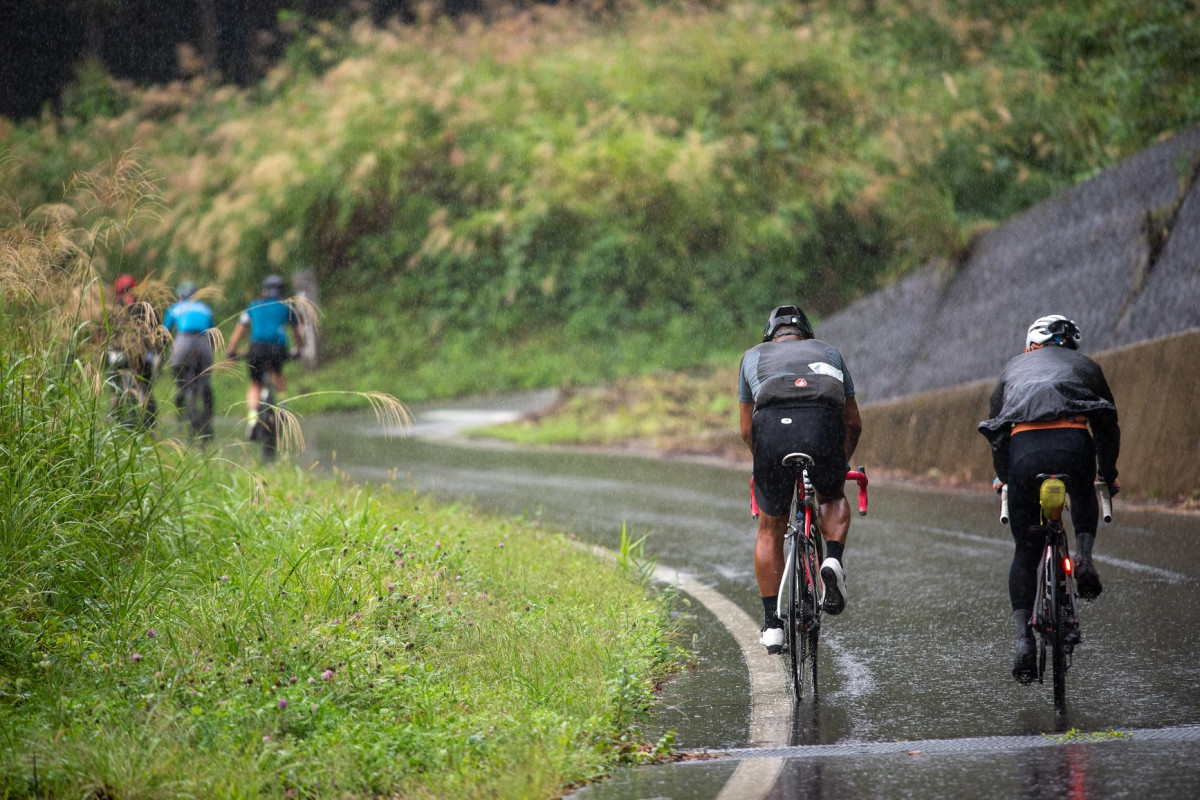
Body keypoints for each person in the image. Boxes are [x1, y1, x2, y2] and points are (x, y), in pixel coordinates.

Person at [978, 314, 1121, 684]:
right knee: (1084, 489)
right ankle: (1084, 557)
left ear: (1032, 345)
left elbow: (997, 427)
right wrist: (1107, 471)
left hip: (1024, 452)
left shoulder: (1014, 367)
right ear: (1070, 345)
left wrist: (1006, 477)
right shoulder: (1086, 366)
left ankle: (1024, 640)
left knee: (1025, 551)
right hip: (1074, 445)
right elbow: (1107, 423)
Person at [738, 305, 863, 654]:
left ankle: (772, 625)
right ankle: (832, 559)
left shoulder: (752, 356)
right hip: (822, 424)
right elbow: (853, 422)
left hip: (772, 433)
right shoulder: (828, 352)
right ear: (805, 334)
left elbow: (747, 429)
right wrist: (839, 461)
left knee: (770, 528)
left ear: (770, 335)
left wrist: (765, 463)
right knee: (831, 497)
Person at [225, 274, 303, 437]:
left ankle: (253, 422)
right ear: (282, 291)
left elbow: (239, 331)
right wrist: (299, 348)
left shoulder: (253, 306)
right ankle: (282, 409)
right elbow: (297, 333)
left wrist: (231, 351)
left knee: (255, 384)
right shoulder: (287, 307)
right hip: (278, 349)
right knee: (278, 375)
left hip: (257, 349)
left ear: (264, 291)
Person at [162, 281, 215, 435]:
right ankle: (208, 421)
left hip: (183, 342)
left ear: (180, 296)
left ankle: (180, 392)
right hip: (203, 343)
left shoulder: (175, 308)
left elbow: (165, 332)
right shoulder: (206, 308)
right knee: (205, 382)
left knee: (178, 369)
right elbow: (213, 333)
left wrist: (162, 350)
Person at [109, 273, 160, 422]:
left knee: (115, 388)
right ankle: (149, 423)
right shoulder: (146, 307)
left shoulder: (115, 308)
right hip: (143, 356)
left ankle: (114, 414)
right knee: (146, 386)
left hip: (120, 355)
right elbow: (156, 333)